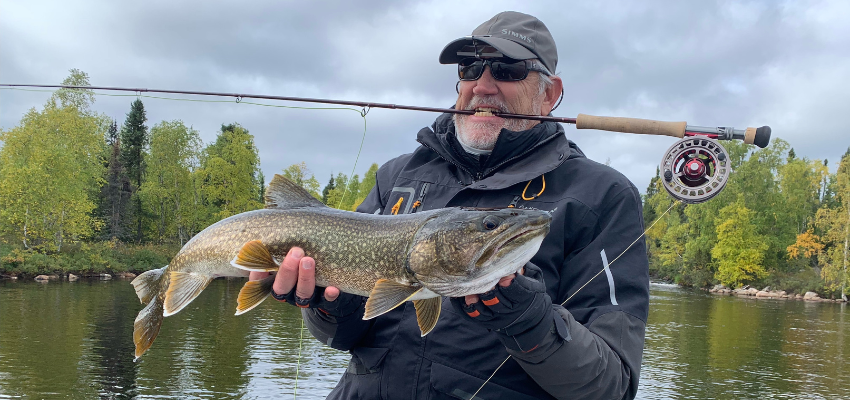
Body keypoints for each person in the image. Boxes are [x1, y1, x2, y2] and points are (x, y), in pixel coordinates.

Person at [252, 11, 649, 400]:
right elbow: (344, 336)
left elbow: (611, 386)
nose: (483, 85)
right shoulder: (398, 176)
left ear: (549, 94)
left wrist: (526, 316)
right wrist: (327, 304)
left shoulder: (602, 196)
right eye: (470, 68)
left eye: (507, 70)